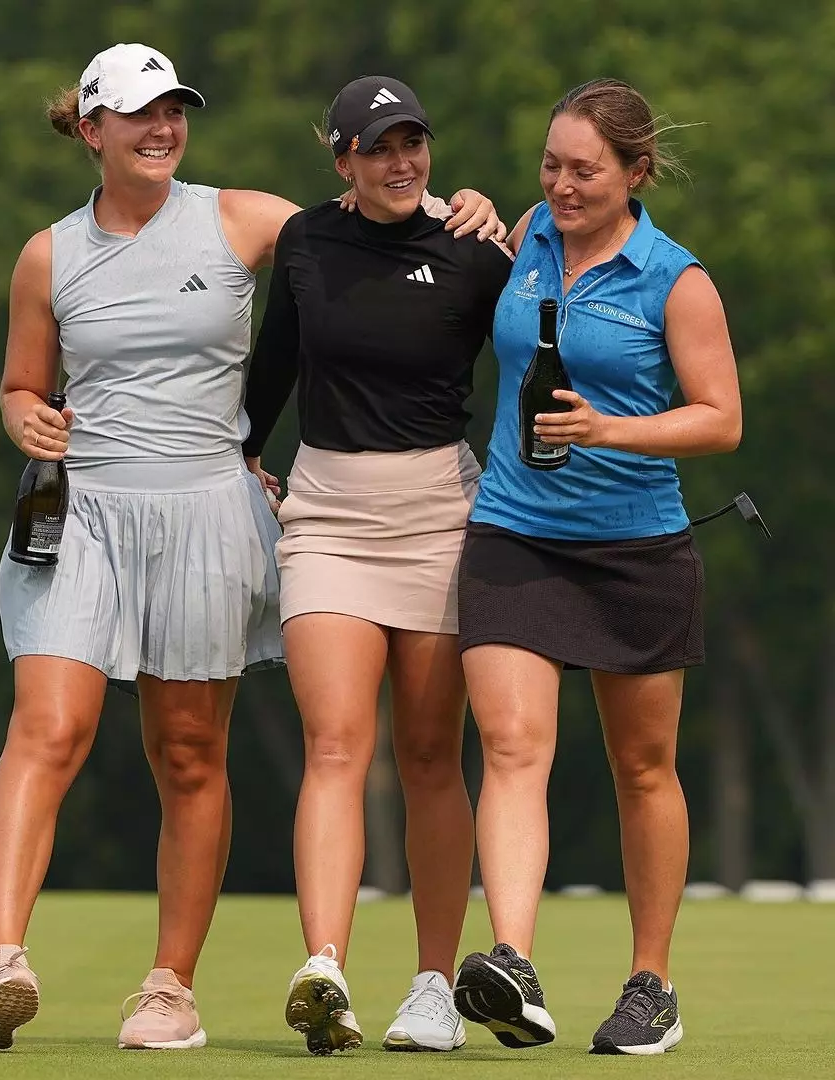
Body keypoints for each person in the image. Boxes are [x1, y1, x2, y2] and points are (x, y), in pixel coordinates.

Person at [0, 44, 504, 1052]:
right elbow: (22, 385)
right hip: (78, 511)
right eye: (139, 116)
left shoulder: (246, 219)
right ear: (91, 132)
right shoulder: (48, 255)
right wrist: (24, 417)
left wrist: (461, 206)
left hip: (208, 512)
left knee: (189, 750)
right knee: (49, 725)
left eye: (174, 112)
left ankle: (169, 989)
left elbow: (366, 222)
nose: (163, 130)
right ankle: (2, 961)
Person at [450, 78, 741, 1056]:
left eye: (585, 170)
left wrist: (611, 427)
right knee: (513, 745)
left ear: (635, 174)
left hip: (637, 548)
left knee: (642, 767)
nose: (562, 186)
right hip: (513, 532)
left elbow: (720, 418)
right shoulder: (531, 234)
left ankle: (650, 986)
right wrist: (488, 211)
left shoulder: (675, 279)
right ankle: (513, 965)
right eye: (551, 164)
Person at [241, 76, 514, 1055]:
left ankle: (435, 986)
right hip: (327, 517)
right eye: (381, 146)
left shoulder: (476, 249)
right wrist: (240, 453)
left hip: (442, 515)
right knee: (335, 743)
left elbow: (531, 357)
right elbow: (275, 356)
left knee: (434, 756)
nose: (404, 162)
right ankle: (325, 966)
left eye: (416, 143)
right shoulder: (309, 241)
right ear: (343, 160)